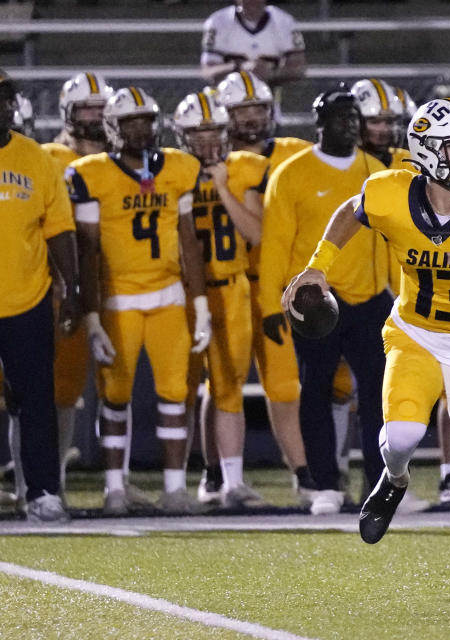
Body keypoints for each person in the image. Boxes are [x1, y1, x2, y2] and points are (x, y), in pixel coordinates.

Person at [283, 97, 450, 593]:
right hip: (417, 334)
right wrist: (319, 265)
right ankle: (394, 481)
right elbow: (350, 211)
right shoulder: (389, 191)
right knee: (399, 436)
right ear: (428, 153)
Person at [70, 87, 211, 515]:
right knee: (115, 395)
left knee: (175, 394)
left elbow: (189, 240)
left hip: (168, 297)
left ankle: (173, 489)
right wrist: (92, 317)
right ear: (113, 127)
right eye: (130, 121)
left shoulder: (179, 168)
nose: (141, 129)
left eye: (146, 121)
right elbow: (89, 252)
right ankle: (115, 487)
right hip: (118, 301)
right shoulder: (91, 173)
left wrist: (200, 303)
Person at [259, 91, 389, 514]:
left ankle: (380, 481)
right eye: (339, 118)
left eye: (354, 117)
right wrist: (270, 304)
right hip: (316, 300)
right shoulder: (291, 172)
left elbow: (391, 236)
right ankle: (325, 484)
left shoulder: (376, 169)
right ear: (319, 123)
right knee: (315, 389)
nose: (349, 125)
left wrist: (402, 293)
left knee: (379, 394)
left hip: (370, 296)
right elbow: (275, 244)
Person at [214, 70, 318, 505]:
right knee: (223, 382)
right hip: (231, 284)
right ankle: (215, 475)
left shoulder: (295, 152)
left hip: (286, 283)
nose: (252, 118)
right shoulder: (213, 162)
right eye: (242, 110)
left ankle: (306, 472)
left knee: (286, 386)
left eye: (258, 108)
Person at [173, 91, 268, 508]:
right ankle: (175, 484)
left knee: (228, 385)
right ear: (182, 137)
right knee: (179, 389)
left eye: (214, 132)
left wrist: (222, 188)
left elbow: (256, 233)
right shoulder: (171, 171)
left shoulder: (244, 167)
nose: (209, 142)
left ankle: (230, 482)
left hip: (231, 287)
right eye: (199, 134)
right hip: (181, 293)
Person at [0, 70, 78, 523]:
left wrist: (72, 288)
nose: (3, 106)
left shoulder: (35, 157)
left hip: (27, 298)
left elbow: (59, 228)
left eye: (6, 98)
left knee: (36, 400)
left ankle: (43, 492)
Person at [40, 72, 116, 500]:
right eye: (88, 108)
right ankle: (44, 480)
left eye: (102, 108)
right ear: (69, 112)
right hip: (52, 284)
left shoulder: (121, 159)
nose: (96, 117)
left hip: (111, 282)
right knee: (39, 385)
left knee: (84, 386)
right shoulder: (47, 156)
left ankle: (107, 484)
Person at [201, 0, 306, 88]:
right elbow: (207, 71)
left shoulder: (284, 21)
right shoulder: (219, 21)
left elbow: (299, 69)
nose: (252, 1)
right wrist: (239, 68)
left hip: (269, 104)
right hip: (227, 104)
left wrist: (272, 73)